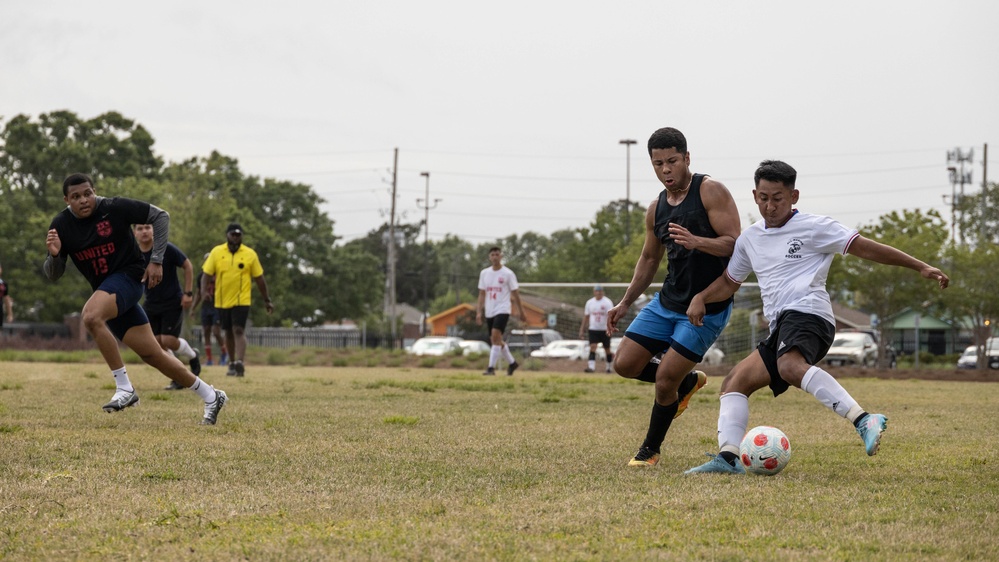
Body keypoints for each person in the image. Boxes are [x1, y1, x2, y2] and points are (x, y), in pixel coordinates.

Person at [684, 160, 950, 474]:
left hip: (810, 313)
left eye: (778, 198)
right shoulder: (748, 240)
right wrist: (701, 297)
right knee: (734, 384)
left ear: (794, 196)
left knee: (789, 365)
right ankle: (728, 459)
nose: (770, 206)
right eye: (764, 198)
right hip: (781, 324)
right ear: (755, 195)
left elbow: (866, 248)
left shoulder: (815, 227)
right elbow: (731, 281)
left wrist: (920, 266)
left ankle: (865, 420)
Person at [605, 127, 742, 467]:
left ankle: (649, 450)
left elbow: (736, 244)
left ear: (687, 158)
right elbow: (649, 259)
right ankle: (688, 383)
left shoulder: (710, 191)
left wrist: (699, 242)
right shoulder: (656, 208)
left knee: (665, 379)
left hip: (706, 307)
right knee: (624, 364)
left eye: (672, 162)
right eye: (658, 164)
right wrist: (624, 302)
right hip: (667, 303)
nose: (666, 170)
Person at [43, 173, 227, 425]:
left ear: (94, 191)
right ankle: (211, 395)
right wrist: (54, 256)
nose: (84, 200)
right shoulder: (61, 225)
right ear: (67, 200)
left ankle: (125, 388)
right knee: (153, 355)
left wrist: (156, 260)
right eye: (76, 197)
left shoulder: (113, 208)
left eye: (88, 193)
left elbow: (161, 216)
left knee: (91, 316)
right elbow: (54, 274)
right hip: (107, 291)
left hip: (129, 278)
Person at [133, 224, 202, 390]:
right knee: (155, 344)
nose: (144, 232)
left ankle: (193, 355)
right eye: (140, 228)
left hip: (172, 301)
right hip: (150, 303)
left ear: (153, 231)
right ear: (134, 232)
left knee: (168, 340)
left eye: (147, 227)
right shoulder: (133, 254)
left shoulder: (165, 249)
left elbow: (188, 266)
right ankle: (177, 376)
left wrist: (188, 293)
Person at [202, 223, 273, 377]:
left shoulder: (250, 254)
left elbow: (259, 279)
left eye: (238, 235)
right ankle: (232, 363)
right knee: (227, 331)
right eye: (232, 235)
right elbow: (206, 274)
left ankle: (240, 362)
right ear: (227, 235)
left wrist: (267, 299)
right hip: (221, 300)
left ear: (241, 236)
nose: (235, 237)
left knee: (238, 330)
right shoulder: (217, 252)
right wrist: (203, 292)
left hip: (242, 299)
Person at [476, 246, 527, 376]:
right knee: (496, 340)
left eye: (497, 254)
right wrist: (479, 312)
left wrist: (521, 312)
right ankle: (512, 363)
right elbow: (482, 294)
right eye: (492, 255)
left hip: (503, 309)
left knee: (495, 335)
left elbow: (516, 294)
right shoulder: (484, 273)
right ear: (489, 257)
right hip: (489, 310)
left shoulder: (508, 274)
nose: (495, 257)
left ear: (501, 256)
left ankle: (490, 368)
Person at [191, 254, 228, 367]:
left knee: (216, 332)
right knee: (206, 331)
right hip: (206, 307)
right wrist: (193, 308)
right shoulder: (201, 276)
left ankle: (224, 353)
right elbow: (198, 293)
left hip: (218, 306)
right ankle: (209, 359)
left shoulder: (220, 275)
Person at [578, 285, 614, 373]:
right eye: (597, 291)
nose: (598, 293)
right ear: (594, 292)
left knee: (607, 349)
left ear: (603, 292)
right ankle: (591, 367)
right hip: (593, 329)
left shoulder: (607, 302)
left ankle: (609, 367)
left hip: (604, 329)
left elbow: (611, 316)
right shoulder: (590, 302)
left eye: (600, 291)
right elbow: (586, 317)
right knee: (593, 347)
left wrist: (611, 327)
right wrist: (582, 329)